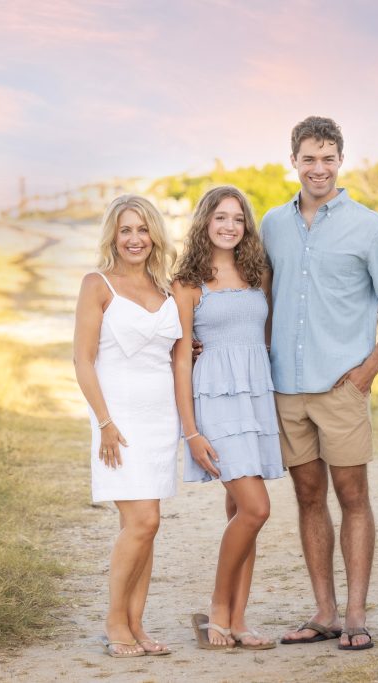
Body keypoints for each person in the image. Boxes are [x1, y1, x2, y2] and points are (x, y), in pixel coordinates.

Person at [261, 116, 378, 651]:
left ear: (340, 162)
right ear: (294, 161)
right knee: (308, 497)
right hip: (286, 388)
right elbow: (261, 299)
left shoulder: (369, 228)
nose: (319, 168)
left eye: (328, 158)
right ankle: (324, 612)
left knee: (353, 496)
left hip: (340, 389)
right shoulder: (271, 225)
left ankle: (355, 614)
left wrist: (367, 372)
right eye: (309, 158)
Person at [172, 186, 284, 651]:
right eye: (221, 217)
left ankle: (239, 620)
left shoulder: (259, 274)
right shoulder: (187, 282)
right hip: (214, 403)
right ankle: (218, 610)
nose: (229, 226)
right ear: (205, 222)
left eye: (238, 219)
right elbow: (180, 358)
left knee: (243, 513)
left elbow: (267, 336)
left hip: (255, 399)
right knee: (257, 508)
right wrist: (192, 432)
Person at [73, 194, 181, 657]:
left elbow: (178, 352)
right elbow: (82, 359)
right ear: (113, 237)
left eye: (142, 229)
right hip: (119, 419)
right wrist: (105, 423)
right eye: (125, 230)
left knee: (147, 527)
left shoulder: (169, 288)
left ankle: (137, 625)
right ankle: (115, 622)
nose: (135, 239)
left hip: (162, 420)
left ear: (154, 233)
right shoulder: (98, 284)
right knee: (142, 520)